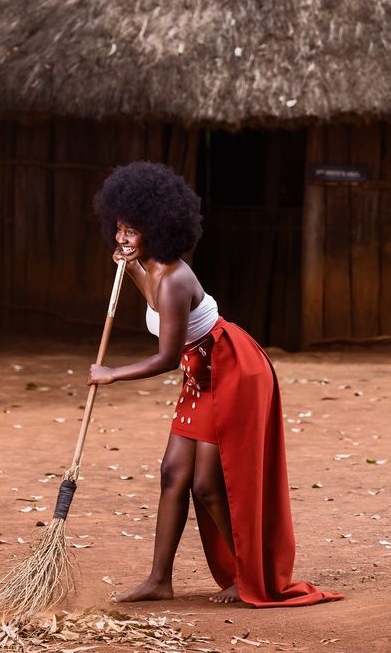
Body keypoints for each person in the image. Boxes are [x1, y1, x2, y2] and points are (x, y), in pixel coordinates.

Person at [88, 161, 343, 607]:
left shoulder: (174, 277)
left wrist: (111, 374)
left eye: (132, 231)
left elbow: (166, 356)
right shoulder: (156, 269)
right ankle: (158, 580)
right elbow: (154, 301)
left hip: (231, 369)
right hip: (200, 370)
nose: (122, 238)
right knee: (173, 473)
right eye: (119, 229)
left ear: (157, 226)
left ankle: (248, 577)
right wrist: (129, 268)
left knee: (206, 483)